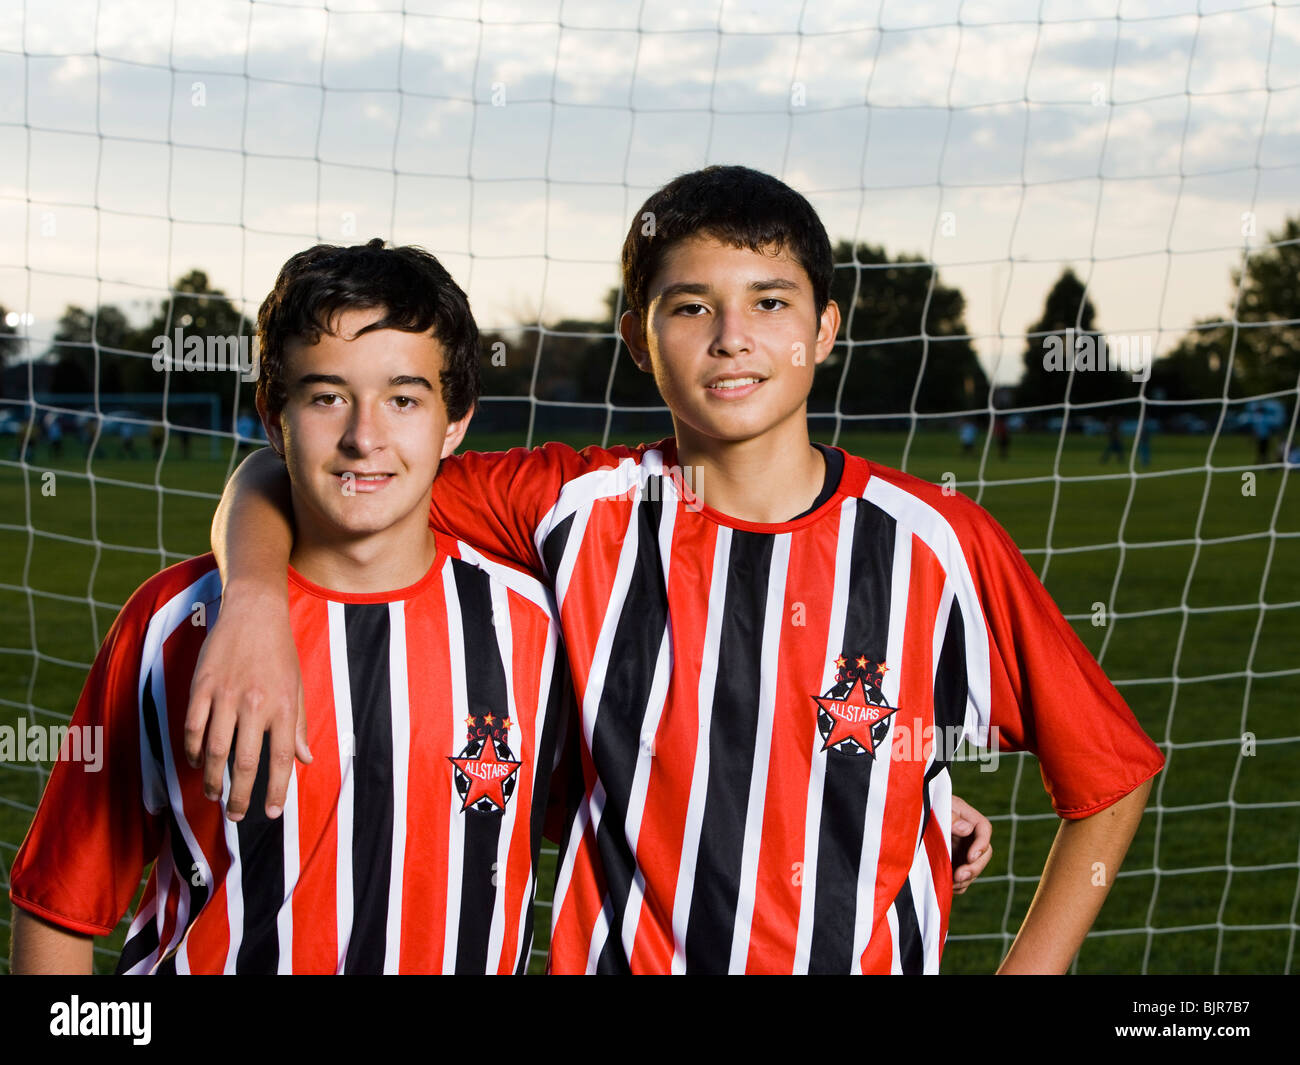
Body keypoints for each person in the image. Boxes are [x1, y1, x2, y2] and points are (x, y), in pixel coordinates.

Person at [192, 168, 1152, 976]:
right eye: (691, 307)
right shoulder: (567, 507)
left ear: (824, 329)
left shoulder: (935, 542)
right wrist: (252, 601)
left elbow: (1107, 777)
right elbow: (312, 467)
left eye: (770, 303)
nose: (731, 336)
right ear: (637, 339)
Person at [8, 241, 571, 974]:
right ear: (274, 419)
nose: (364, 437)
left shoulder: (534, 629)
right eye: (326, 396)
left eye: (403, 398)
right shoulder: (174, 623)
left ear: (455, 420)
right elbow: (60, 903)